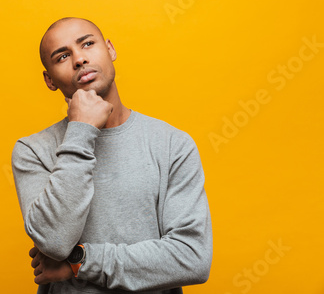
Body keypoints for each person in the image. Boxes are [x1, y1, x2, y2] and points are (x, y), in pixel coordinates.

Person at [11, 17, 212, 293]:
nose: (79, 59)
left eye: (88, 44)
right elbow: (54, 241)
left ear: (110, 50)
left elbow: (192, 258)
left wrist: (79, 262)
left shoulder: (171, 144)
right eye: (62, 56)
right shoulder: (33, 150)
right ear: (49, 80)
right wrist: (81, 131)